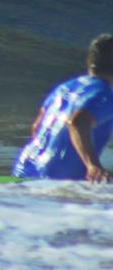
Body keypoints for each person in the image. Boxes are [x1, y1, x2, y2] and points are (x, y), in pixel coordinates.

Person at [14, 34, 113, 182]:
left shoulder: (64, 88)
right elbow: (77, 122)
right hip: (59, 177)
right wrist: (92, 165)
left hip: (24, 167)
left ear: (90, 62)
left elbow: (36, 127)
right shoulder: (105, 93)